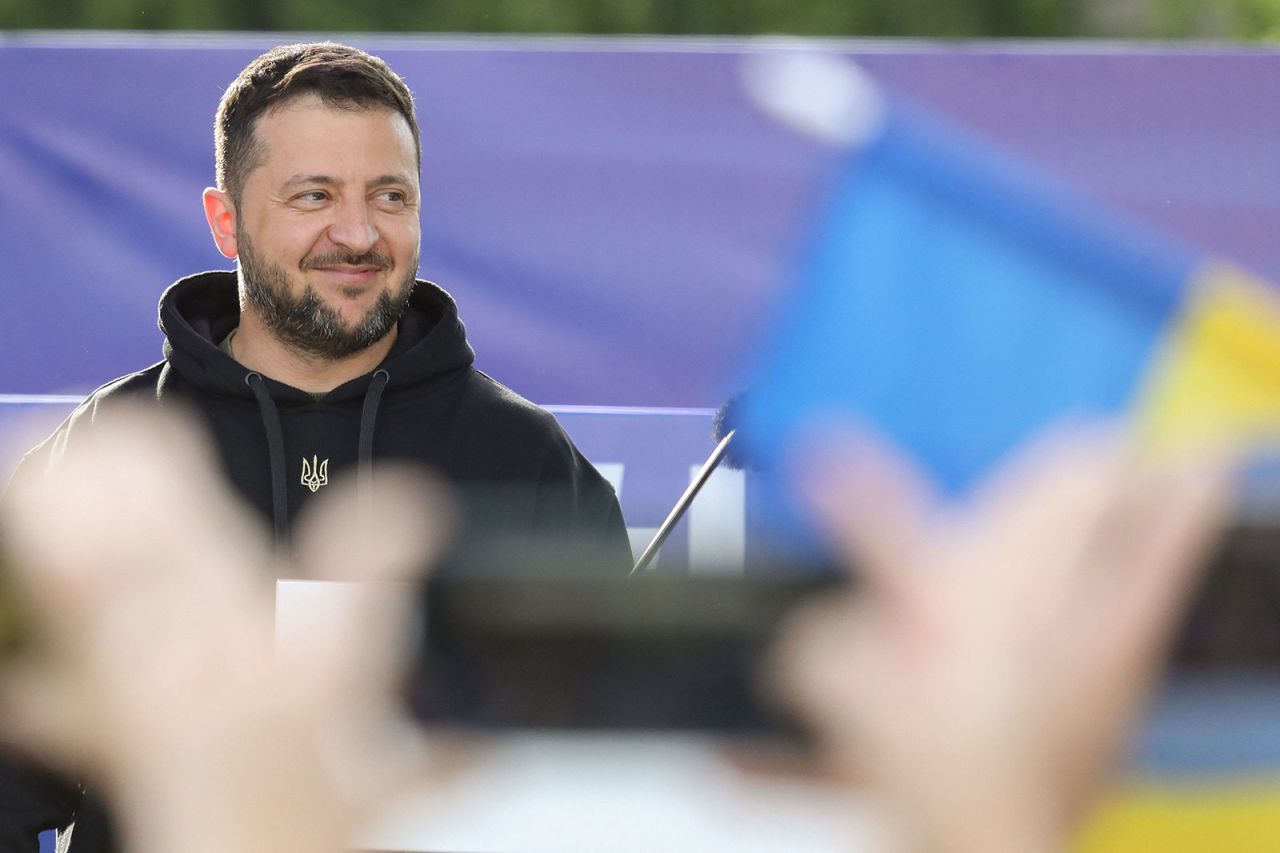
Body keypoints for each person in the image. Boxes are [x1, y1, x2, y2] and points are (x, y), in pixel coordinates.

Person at [1, 41, 631, 852]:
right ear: (225, 221)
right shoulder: (110, 463)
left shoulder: (532, 464)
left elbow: (605, 795)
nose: (359, 231)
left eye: (390, 195)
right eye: (314, 195)